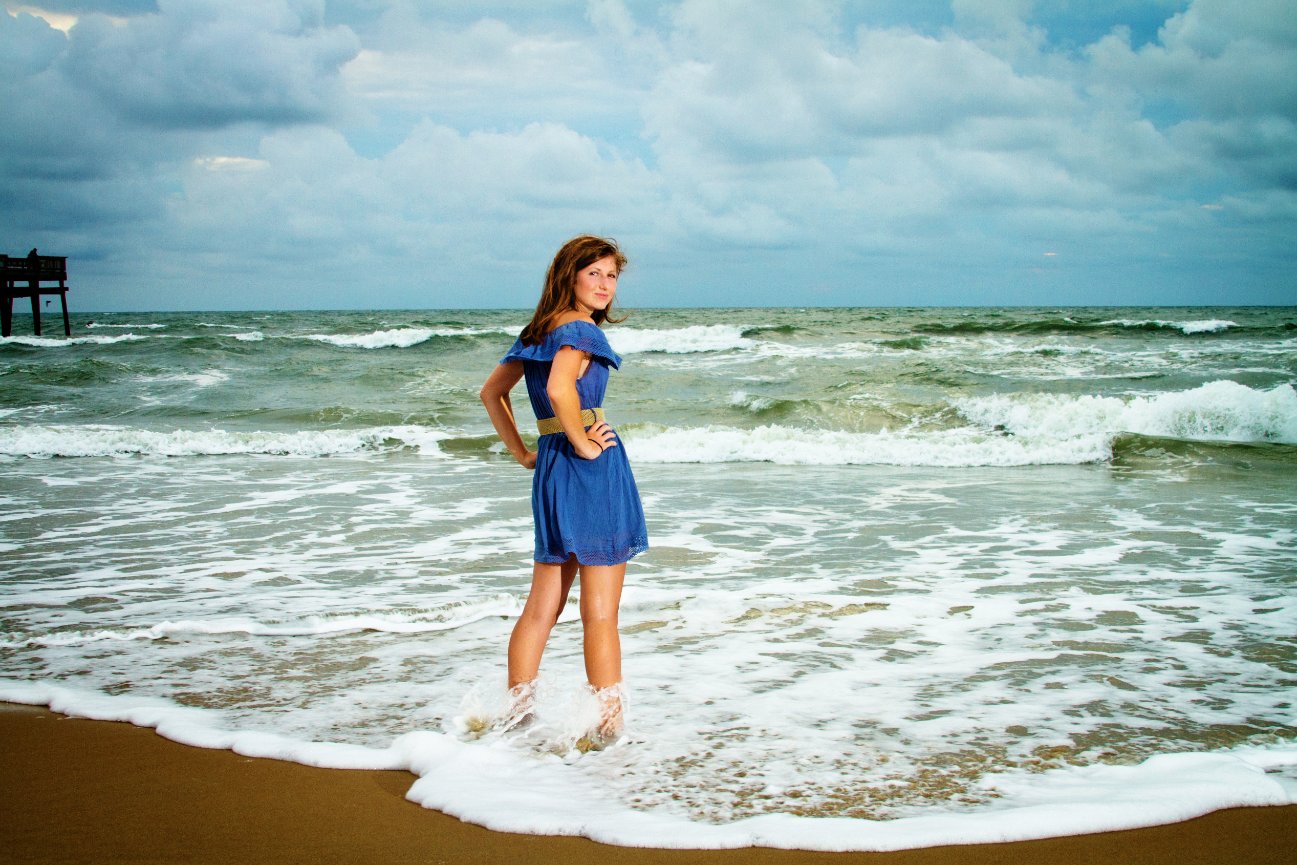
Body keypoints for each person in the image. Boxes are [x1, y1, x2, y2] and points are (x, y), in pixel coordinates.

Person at [479, 235, 649, 744]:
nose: (605, 284)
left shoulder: (540, 329)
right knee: (600, 612)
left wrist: (524, 453)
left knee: (542, 608)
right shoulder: (580, 329)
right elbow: (559, 389)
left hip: (552, 466)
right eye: (593, 273)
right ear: (569, 275)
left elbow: (492, 393)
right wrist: (585, 444)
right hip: (587, 468)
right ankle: (607, 728)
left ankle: (516, 715)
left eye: (611, 275)